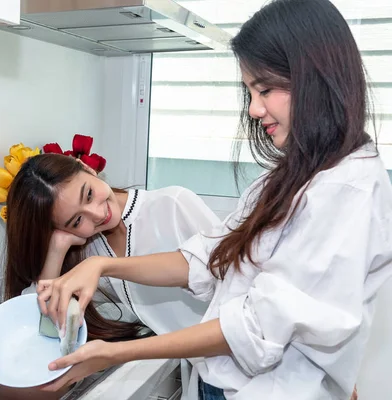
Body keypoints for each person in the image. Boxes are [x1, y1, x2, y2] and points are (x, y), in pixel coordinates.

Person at [36, 1, 392, 399]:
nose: (255, 109)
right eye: (250, 92)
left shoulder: (348, 190)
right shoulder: (292, 176)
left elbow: (257, 327)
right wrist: (102, 265)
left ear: (315, 77)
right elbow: (208, 259)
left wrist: (117, 353)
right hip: (222, 385)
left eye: (266, 89)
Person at [3, 152, 220, 344]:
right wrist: (56, 249)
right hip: (189, 366)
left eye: (88, 195)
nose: (97, 214)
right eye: (77, 220)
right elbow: (43, 325)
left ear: (88, 169)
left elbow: (232, 277)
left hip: (227, 355)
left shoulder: (173, 204)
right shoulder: (86, 249)